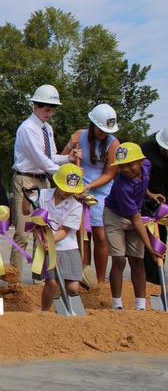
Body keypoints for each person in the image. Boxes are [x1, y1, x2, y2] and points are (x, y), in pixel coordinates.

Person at [10, 85, 80, 275]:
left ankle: (39, 276)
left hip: (44, 181)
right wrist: (66, 177)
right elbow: (38, 159)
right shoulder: (27, 129)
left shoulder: (47, 129)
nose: (50, 113)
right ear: (35, 106)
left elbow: (51, 156)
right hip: (26, 180)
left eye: (52, 109)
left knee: (42, 230)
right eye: (47, 109)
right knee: (23, 232)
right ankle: (14, 277)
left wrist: (68, 159)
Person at [61, 104, 120, 284]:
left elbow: (110, 173)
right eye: (100, 129)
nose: (103, 133)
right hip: (77, 189)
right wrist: (71, 145)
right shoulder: (80, 135)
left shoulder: (113, 144)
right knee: (81, 235)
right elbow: (62, 158)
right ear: (93, 124)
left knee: (100, 236)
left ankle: (100, 281)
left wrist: (89, 187)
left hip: (100, 192)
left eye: (106, 130)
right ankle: (83, 276)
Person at [104, 143, 164, 310]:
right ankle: (117, 305)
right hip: (115, 217)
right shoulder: (122, 187)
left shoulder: (147, 165)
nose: (127, 169)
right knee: (119, 259)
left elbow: (143, 183)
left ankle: (140, 305)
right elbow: (136, 220)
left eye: (131, 164)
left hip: (134, 214)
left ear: (141, 161)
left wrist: (150, 194)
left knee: (137, 261)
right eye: (122, 166)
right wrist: (150, 247)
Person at [22, 164, 85, 312]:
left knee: (73, 287)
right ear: (57, 183)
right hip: (47, 247)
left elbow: (65, 230)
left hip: (68, 248)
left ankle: (65, 311)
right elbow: (25, 210)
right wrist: (26, 193)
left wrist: (52, 241)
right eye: (65, 189)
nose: (68, 193)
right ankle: (44, 312)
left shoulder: (76, 206)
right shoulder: (42, 195)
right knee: (52, 283)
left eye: (71, 190)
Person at [142, 127, 168, 284]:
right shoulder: (146, 150)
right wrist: (149, 195)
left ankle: (158, 276)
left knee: (162, 237)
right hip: (147, 200)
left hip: (165, 204)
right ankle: (150, 277)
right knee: (150, 238)